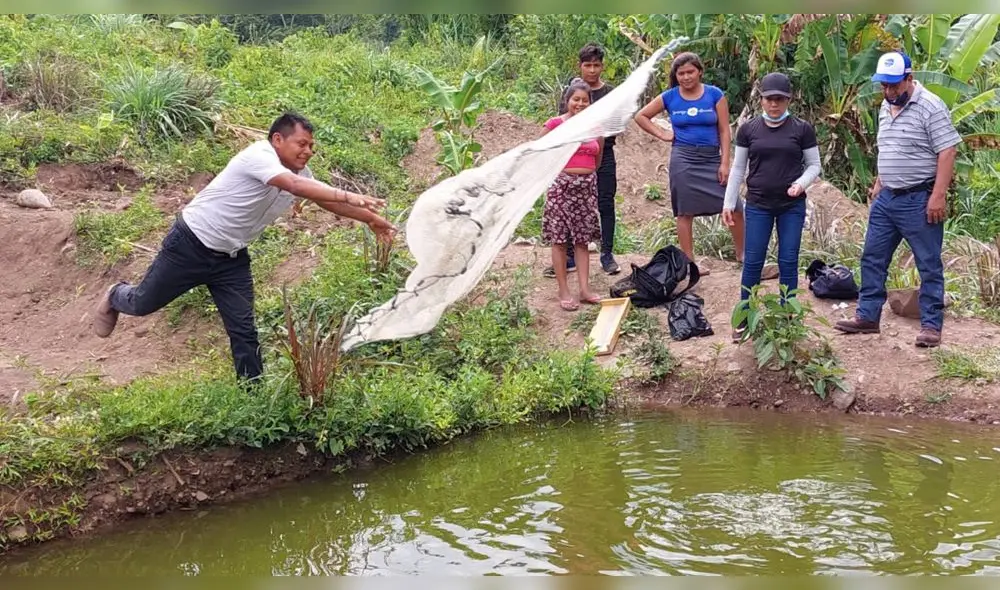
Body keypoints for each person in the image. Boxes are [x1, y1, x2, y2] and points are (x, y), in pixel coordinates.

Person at [91, 113, 396, 384]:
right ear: (278, 139)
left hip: (231, 260)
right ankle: (115, 294)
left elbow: (323, 199)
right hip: (190, 244)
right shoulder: (259, 155)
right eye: (302, 144)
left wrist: (371, 219)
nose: (308, 151)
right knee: (143, 303)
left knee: (244, 330)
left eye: (311, 147)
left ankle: (253, 396)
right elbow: (294, 186)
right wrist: (348, 194)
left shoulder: (302, 175)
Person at [834, 51, 961, 348]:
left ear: (909, 78)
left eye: (895, 85)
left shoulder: (930, 106)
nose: (890, 92)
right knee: (872, 258)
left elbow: (948, 151)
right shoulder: (884, 105)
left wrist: (938, 196)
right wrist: (879, 183)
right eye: (884, 86)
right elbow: (888, 147)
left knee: (928, 263)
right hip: (887, 198)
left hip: (919, 198)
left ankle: (931, 324)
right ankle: (867, 316)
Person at [724, 72, 822, 341]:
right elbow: (738, 167)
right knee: (753, 261)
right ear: (761, 100)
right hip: (758, 204)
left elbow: (815, 165)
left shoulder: (802, 129)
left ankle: (788, 315)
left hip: (791, 206)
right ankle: (744, 317)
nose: (774, 105)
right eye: (769, 99)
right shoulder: (748, 129)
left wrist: (801, 184)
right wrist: (729, 202)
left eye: (779, 99)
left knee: (788, 261)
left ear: (788, 100)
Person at [635, 51, 745, 275]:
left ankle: (743, 255)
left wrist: (725, 163)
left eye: (690, 72)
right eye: (681, 73)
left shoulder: (715, 95)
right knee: (684, 212)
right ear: (675, 75)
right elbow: (641, 116)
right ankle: (689, 263)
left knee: (734, 205)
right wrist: (663, 134)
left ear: (700, 72)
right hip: (683, 159)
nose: (685, 77)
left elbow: (725, 131)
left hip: (711, 157)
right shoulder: (670, 96)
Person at [544, 42, 622, 279]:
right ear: (580, 66)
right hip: (570, 158)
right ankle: (568, 257)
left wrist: (594, 140)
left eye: (596, 65)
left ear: (602, 67)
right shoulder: (570, 92)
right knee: (568, 208)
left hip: (601, 152)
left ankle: (607, 254)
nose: (591, 70)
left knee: (605, 203)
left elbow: (615, 124)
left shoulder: (609, 93)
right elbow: (561, 124)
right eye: (587, 65)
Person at [541, 79, 604, 311]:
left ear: (590, 103)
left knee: (582, 240)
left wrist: (584, 177)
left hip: (586, 189)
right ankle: (564, 290)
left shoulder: (596, 128)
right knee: (559, 240)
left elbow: (597, 160)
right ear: (567, 101)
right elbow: (539, 150)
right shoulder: (556, 124)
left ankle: (585, 290)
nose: (580, 104)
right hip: (562, 187)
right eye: (575, 99)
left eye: (584, 100)